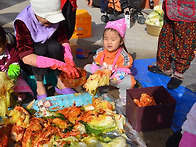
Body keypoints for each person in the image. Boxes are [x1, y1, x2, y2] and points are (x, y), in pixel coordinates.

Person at [14, 0, 80, 100]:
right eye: (48, 20)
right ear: (38, 14)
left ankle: (60, 83)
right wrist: (59, 65)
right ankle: (40, 87)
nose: (51, 23)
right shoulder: (23, 22)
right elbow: (26, 57)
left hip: (51, 54)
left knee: (55, 45)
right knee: (39, 48)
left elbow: (63, 39)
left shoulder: (54, 19)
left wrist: (68, 60)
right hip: (32, 63)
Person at [84, 18, 136, 105]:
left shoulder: (124, 56)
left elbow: (124, 71)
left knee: (130, 81)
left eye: (113, 39)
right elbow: (95, 64)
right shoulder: (100, 52)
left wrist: (113, 78)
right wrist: (97, 72)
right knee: (87, 68)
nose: (109, 42)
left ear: (121, 41)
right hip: (102, 79)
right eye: (106, 39)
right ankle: (102, 89)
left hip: (114, 79)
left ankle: (124, 96)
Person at [148, 0, 196, 89]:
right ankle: (164, 66)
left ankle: (179, 73)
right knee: (165, 37)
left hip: (187, 12)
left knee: (184, 44)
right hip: (170, 8)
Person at [0, 26, 33, 101]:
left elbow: (15, 65)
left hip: (11, 76)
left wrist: (11, 78)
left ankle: (19, 93)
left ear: (5, 42)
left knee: (18, 82)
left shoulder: (11, 50)